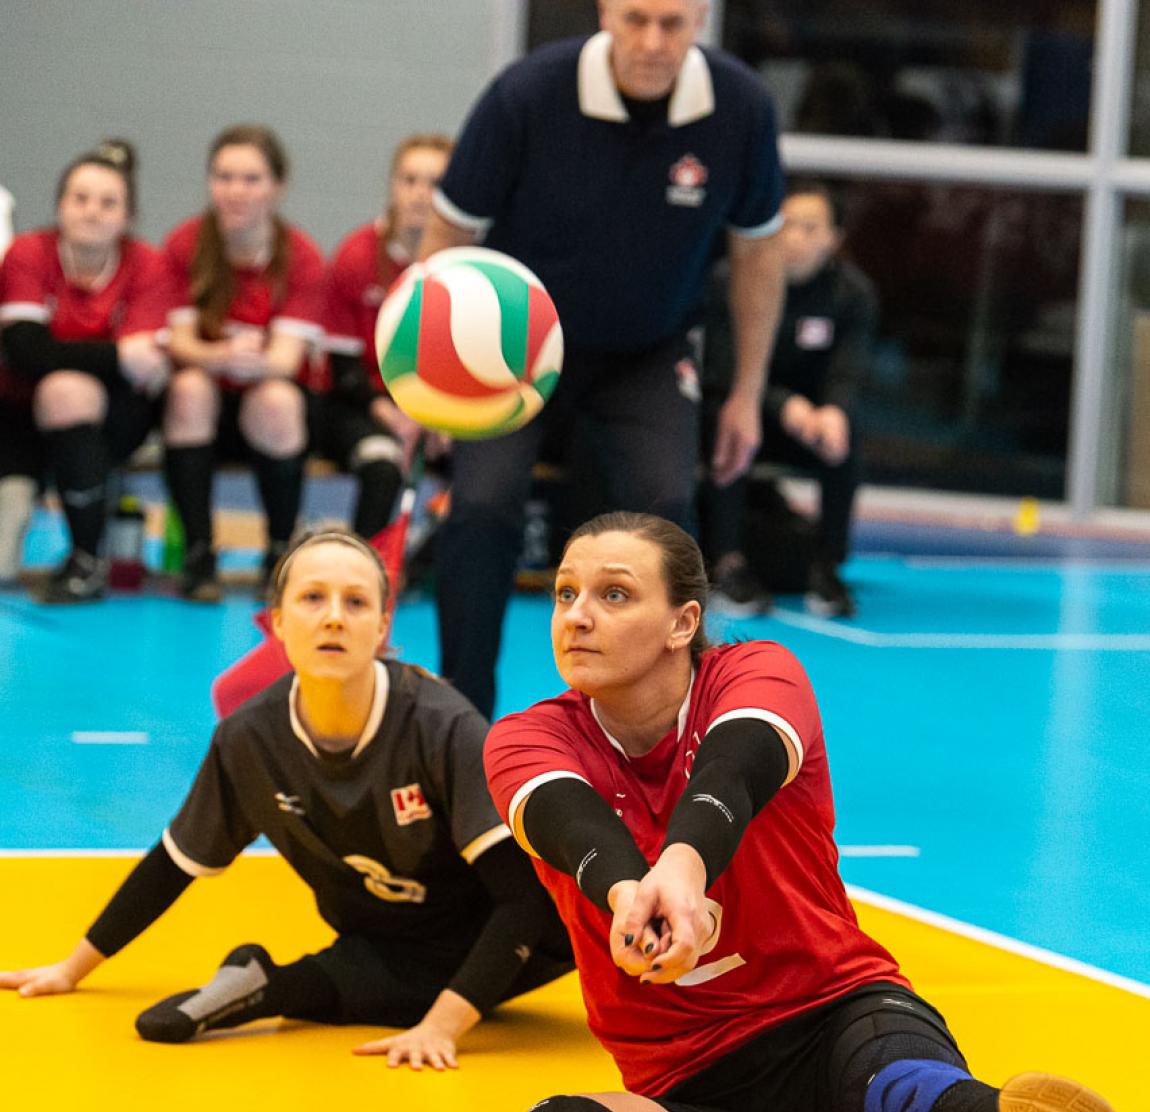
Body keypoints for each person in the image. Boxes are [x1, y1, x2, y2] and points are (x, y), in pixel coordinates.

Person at [484, 512, 1150, 1112]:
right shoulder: (526, 737)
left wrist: (683, 868)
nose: (577, 615)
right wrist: (631, 892)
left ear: (685, 623)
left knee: (900, 1102)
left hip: (839, 1019)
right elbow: (570, 823)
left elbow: (737, 767)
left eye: (614, 594)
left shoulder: (756, 675)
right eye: (566, 593)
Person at [0, 529, 573, 1068]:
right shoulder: (250, 737)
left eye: (355, 603)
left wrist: (443, 1025)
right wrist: (73, 967)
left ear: (381, 628)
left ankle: (265, 986)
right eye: (312, 598)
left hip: (511, 931)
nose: (332, 618)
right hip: (385, 937)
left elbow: (524, 901)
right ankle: (264, 985)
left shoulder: (442, 725)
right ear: (276, 622)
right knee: (380, 980)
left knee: (431, 971)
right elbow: (174, 862)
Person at [419, 0, 786, 717]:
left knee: (667, 512)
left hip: (648, 350)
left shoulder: (741, 106)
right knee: (483, 507)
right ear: (604, 14)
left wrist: (746, 392)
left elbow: (759, 252)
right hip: (516, 345)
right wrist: (439, 379)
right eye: (636, 19)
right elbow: (449, 228)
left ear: (701, 22)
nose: (653, 41)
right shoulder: (526, 92)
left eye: (674, 24)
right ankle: (464, 720)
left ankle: (663, 724)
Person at [160, 124, 324, 601]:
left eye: (250, 179)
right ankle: (198, 554)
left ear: (278, 186)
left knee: (276, 398)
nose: (235, 190)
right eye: (223, 176)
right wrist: (227, 355)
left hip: (269, 411)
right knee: (188, 388)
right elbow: (180, 344)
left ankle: (278, 554)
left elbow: (284, 360)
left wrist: (226, 357)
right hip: (202, 410)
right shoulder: (185, 245)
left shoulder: (302, 257)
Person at [0, 140, 168, 601]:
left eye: (108, 202)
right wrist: (114, 356)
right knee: (2, 568)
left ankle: (86, 559)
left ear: (128, 217)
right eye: (80, 199)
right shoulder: (29, 254)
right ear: (59, 205)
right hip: (19, 423)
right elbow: (22, 350)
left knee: (65, 390)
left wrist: (63, 358)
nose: (92, 212)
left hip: (115, 418)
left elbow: (144, 371)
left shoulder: (147, 265)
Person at [702, 180, 877, 618]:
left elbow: (848, 370)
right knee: (729, 431)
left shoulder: (853, 295)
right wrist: (785, 407)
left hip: (809, 424)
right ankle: (727, 564)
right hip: (740, 409)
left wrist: (833, 412)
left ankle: (827, 565)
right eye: (787, 224)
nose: (795, 236)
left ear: (834, 239)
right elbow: (721, 370)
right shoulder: (732, 282)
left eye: (810, 227)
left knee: (846, 440)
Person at [323, 135, 453, 539]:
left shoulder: (466, 264)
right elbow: (342, 369)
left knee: (480, 469)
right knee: (382, 464)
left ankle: (421, 564)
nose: (419, 194)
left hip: (439, 409)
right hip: (362, 405)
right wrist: (396, 417)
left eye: (433, 183)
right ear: (393, 186)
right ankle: (363, 574)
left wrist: (439, 414)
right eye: (408, 180)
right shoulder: (357, 254)